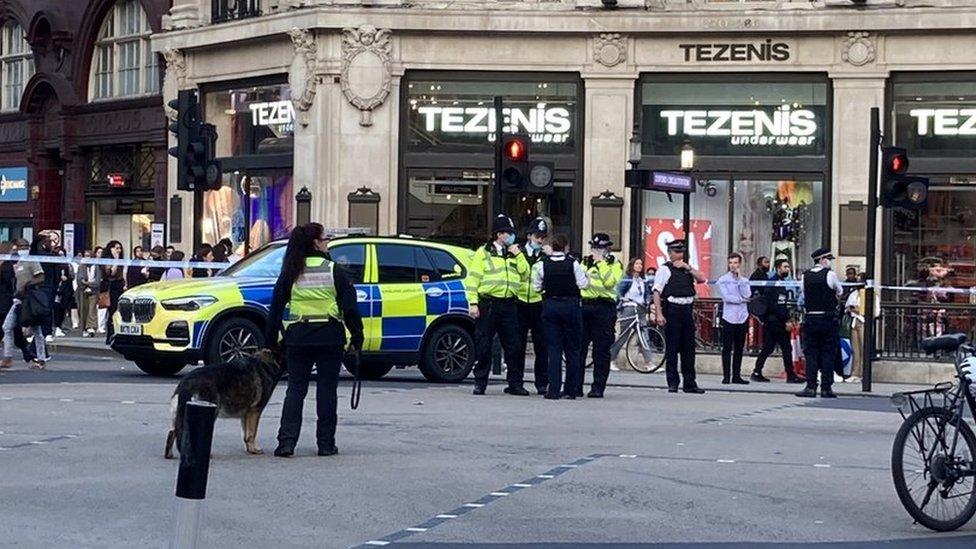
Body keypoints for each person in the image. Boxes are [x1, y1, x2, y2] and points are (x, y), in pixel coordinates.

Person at [264, 223, 364, 457]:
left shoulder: (291, 270)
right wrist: (357, 337)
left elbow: (275, 309)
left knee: (295, 391)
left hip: (298, 337)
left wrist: (269, 343)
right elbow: (350, 308)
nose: (327, 243)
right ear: (316, 243)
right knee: (327, 392)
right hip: (330, 338)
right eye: (325, 239)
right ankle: (326, 444)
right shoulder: (333, 270)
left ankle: (286, 443)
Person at [465, 214, 525, 396]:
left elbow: (525, 273)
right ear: (499, 234)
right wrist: (473, 303)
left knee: (514, 345)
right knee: (484, 344)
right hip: (488, 303)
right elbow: (473, 279)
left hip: (509, 304)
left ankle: (515, 384)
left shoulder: (514, 253)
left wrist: (519, 254)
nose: (511, 236)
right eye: (509, 233)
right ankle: (480, 382)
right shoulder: (483, 253)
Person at [532, 233, 588, 400]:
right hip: (570, 306)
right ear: (565, 247)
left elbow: (536, 287)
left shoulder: (544, 264)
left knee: (554, 349)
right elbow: (582, 284)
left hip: (551, 306)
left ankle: (553, 389)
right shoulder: (573, 264)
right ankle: (571, 390)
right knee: (572, 349)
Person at [653, 239, 706, 394]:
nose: (679, 254)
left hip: (687, 310)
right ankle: (673, 383)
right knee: (672, 348)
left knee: (689, 349)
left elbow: (702, 278)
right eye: (676, 252)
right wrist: (659, 313)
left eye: (681, 251)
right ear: (670, 253)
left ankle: (690, 383)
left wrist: (687, 267)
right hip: (673, 310)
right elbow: (657, 292)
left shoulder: (687, 269)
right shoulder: (664, 270)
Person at [578, 233, 623, 398]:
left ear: (607, 249)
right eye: (595, 247)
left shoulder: (614, 264)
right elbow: (580, 281)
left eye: (600, 248)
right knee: (579, 348)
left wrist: (601, 264)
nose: (596, 251)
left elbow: (610, 282)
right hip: (585, 306)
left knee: (601, 350)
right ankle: (576, 386)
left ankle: (598, 387)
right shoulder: (584, 262)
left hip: (604, 308)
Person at [796, 248, 843, 399]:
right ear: (823, 260)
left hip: (811, 319)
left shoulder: (805, 276)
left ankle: (810, 386)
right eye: (828, 259)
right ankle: (826, 388)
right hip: (827, 318)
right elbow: (839, 291)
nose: (830, 262)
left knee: (812, 354)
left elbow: (803, 294)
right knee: (827, 353)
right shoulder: (830, 275)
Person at [513, 217, 549, 395]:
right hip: (520, 303)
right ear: (529, 236)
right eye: (537, 237)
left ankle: (542, 383)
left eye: (543, 237)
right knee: (517, 345)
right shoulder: (517, 253)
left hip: (538, 303)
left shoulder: (545, 256)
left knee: (542, 346)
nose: (540, 240)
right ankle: (516, 382)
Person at [751, 259, 802, 383]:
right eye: (785, 267)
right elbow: (775, 305)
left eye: (788, 267)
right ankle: (788, 374)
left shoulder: (781, 282)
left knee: (775, 348)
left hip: (777, 320)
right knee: (778, 347)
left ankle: (759, 371)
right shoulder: (773, 283)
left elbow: (781, 303)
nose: (787, 269)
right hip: (774, 321)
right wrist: (786, 319)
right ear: (778, 268)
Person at [10, 239, 49, 369]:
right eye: (21, 246)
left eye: (26, 246)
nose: (24, 248)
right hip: (18, 298)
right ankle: (15, 354)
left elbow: (41, 277)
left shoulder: (32, 260)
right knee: (7, 326)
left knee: (36, 330)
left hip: (30, 298)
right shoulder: (17, 261)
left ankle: (41, 359)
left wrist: (27, 285)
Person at [0, 240, 35, 369]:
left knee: (6, 328)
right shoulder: (7, 264)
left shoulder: (8, 265)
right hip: (7, 300)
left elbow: (11, 282)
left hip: (7, 301)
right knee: (12, 329)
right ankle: (27, 353)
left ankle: (10, 357)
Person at [717, 252, 751, 385]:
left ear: (740, 264)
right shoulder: (723, 280)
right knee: (727, 347)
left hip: (742, 316)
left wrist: (740, 280)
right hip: (729, 316)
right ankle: (726, 375)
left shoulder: (745, 280)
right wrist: (740, 300)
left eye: (736, 263)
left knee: (739, 347)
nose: (733, 266)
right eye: (731, 263)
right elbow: (727, 298)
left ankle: (737, 375)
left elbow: (747, 295)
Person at [610, 258, 647, 365]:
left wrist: (647, 302)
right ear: (632, 265)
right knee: (623, 336)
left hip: (640, 309)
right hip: (629, 308)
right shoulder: (627, 279)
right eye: (637, 264)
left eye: (641, 264)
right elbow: (618, 293)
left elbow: (646, 294)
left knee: (644, 336)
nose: (639, 266)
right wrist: (622, 299)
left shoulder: (642, 280)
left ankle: (649, 362)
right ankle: (611, 359)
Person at [31, 235, 56, 341]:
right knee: (46, 310)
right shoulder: (46, 256)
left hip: (41, 286)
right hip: (45, 286)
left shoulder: (34, 255)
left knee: (38, 310)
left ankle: (41, 331)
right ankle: (46, 332)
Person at [100, 241, 125, 344]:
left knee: (120, 311)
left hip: (119, 286)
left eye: (120, 248)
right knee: (113, 311)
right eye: (116, 248)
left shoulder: (121, 260)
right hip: (112, 287)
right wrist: (116, 260)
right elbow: (111, 273)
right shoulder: (108, 260)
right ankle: (110, 334)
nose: (119, 250)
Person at [845, 272, 866, 383]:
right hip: (854, 321)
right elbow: (848, 306)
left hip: (863, 322)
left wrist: (857, 309)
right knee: (855, 349)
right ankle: (855, 373)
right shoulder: (853, 294)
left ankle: (864, 373)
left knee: (864, 348)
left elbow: (869, 310)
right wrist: (852, 309)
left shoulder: (869, 294)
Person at [76, 249, 101, 338]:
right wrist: (87, 284)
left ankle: (91, 327)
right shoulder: (81, 267)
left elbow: (97, 282)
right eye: (85, 256)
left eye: (88, 256)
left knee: (92, 309)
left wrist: (88, 283)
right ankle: (84, 328)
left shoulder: (96, 267)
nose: (87, 258)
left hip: (94, 291)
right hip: (82, 291)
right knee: (83, 310)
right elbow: (79, 280)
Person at [51, 247, 73, 337]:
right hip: (56, 290)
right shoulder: (54, 266)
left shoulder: (67, 265)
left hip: (65, 290)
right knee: (56, 309)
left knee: (63, 308)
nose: (61, 256)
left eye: (62, 254)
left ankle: (59, 325)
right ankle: (56, 326)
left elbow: (71, 276)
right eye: (59, 255)